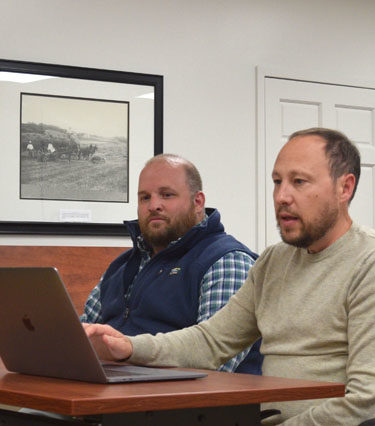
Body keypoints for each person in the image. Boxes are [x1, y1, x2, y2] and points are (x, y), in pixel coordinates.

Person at [84, 128, 375, 425]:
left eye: (299, 182)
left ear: (345, 188)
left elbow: (372, 403)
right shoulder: (275, 261)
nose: (282, 196)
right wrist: (128, 347)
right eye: (278, 182)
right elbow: (210, 342)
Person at [79, 153, 261, 374]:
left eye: (167, 195)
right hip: (106, 389)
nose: (154, 205)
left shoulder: (227, 261)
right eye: (145, 198)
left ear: (198, 202)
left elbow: (217, 365)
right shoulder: (121, 266)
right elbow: (80, 338)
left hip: (183, 402)